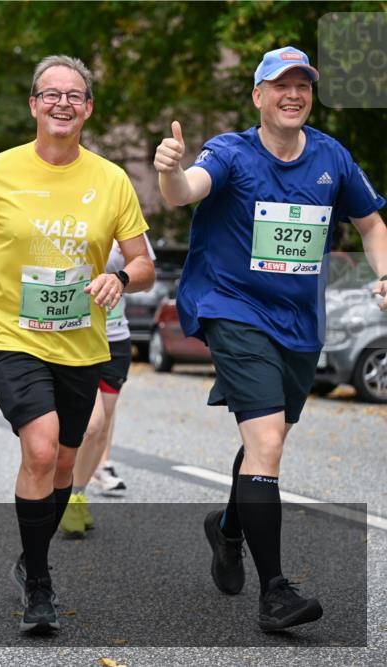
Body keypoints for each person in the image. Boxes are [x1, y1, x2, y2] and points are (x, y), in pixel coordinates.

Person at [154, 45, 387, 631]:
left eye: (302, 84)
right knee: (267, 441)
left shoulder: (332, 156)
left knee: (270, 438)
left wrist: (384, 272)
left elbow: (372, 223)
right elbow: (187, 191)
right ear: (258, 96)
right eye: (279, 85)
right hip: (233, 311)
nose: (293, 94)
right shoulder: (232, 152)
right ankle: (275, 593)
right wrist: (169, 171)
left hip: (299, 325)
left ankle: (228, 528)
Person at [0, 54, 155, 635]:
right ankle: (39, 581)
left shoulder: (111, 179)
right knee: (40, 451)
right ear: (34, 104)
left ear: (88, 108)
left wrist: (122, 277)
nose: (63, 102)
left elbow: (142, 263)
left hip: (83, 345)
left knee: (65, 461)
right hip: (14, 339)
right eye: (51, 93)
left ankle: (29, 559)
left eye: (75, 94)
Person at [59, 235, 155, 538]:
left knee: (101, 428)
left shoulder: (126, 223)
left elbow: (145, 270)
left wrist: (120, 278)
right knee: (91, 424)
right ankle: (63, 489)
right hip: (75, 334)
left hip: (115, 337)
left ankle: (77, 493)